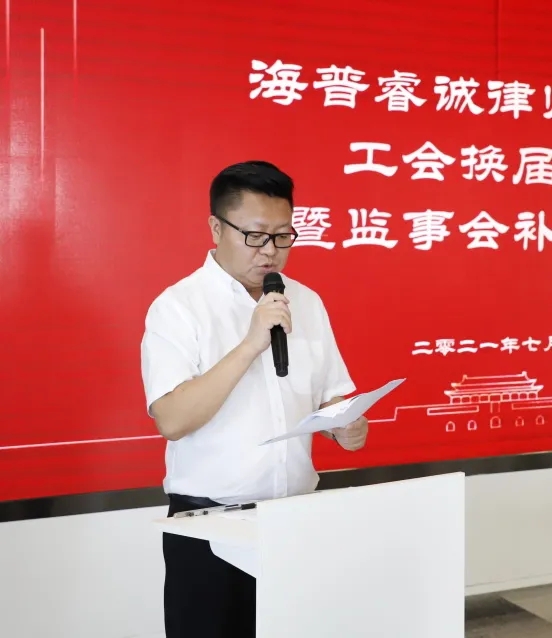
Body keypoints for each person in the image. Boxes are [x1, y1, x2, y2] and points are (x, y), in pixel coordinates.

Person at [140, 160, 368, 638]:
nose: (270, 252)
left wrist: (343, 425)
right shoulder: (178, 307)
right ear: (216, 228)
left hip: (296, 519)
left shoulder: (306, 301)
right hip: (208, 525)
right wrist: (249, 345)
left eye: (283, 236)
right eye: (256, 236)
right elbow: (173, 420)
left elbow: (329, 397)